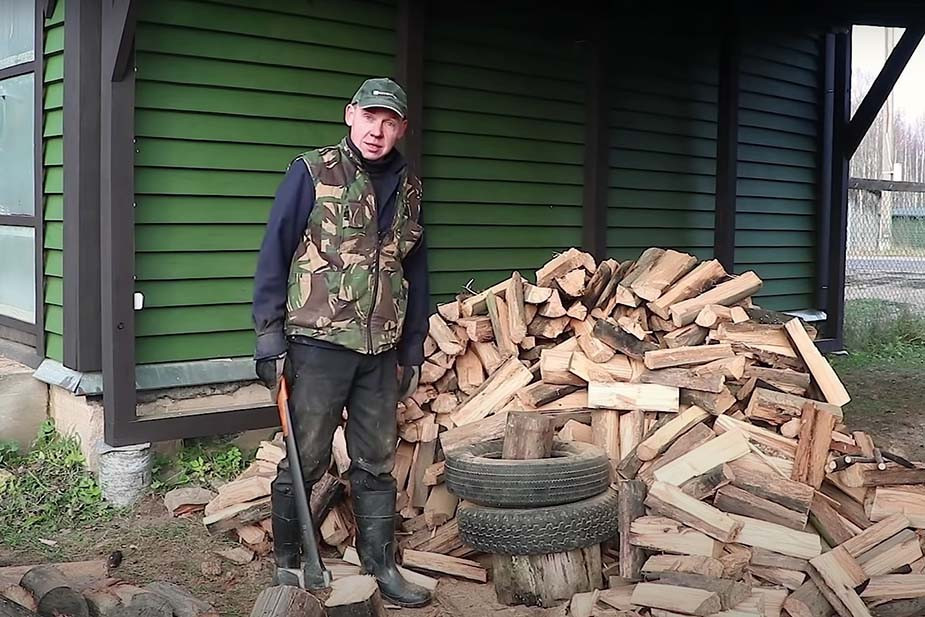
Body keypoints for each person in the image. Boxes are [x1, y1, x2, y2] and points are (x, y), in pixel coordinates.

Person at [251, 77, 431, 607]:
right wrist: (268, 339)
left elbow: (415, 269)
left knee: (375, 462)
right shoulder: (311, 173)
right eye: (370, 117)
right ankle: (288, 564)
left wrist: (412, 347)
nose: (378, 130)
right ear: (350, 115)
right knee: (304, 460)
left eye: (390, 121)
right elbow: (273, 254)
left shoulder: (409, 186)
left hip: (381, 352)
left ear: (401, 129)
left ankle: (381, 565)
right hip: (317, 344)